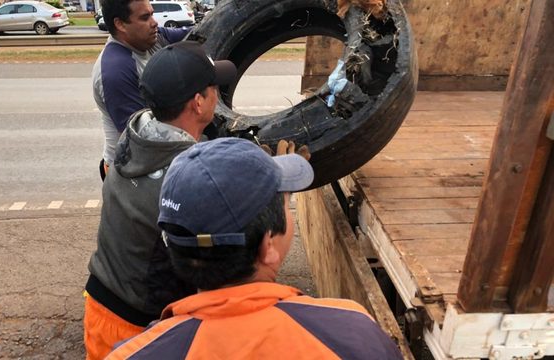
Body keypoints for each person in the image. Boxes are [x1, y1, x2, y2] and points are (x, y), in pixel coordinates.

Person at [106, 137, 403, 359]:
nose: (289, 209)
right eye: (285, 203)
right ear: (267, 247)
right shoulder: (352, 332)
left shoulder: (131, 355)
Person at [84, 41, 237, 360]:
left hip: (99, 304)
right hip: (137, 329)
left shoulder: (136, 130)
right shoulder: (189, 178)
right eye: (214, 89)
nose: (218, 96)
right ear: (198, 102)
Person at [93, 0, 191, 180]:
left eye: (152, 14)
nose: (154, 22)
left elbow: (199, 35)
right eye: (145, 17)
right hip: (129, 172)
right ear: (120, 24)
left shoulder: (152, 38)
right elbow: (141, 138)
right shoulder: (116, 71)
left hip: (155, 153)